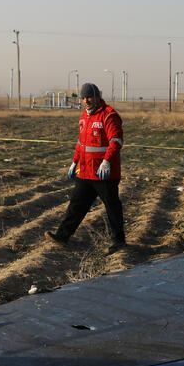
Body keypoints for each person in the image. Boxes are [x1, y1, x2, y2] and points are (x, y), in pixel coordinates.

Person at [46, 82, 126, 254]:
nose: (86, 100)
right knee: (76, 205)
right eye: (83, 98)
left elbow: (116, 141)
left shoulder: (109, 115)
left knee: (112, 207)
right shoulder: (84, 117)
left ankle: (119, 241)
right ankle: (62, 236)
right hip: (86, 172)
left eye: (89, 97)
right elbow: (81, 143)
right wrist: (75, 161)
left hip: (104, 174)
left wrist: (107, 162)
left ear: (97, 96)